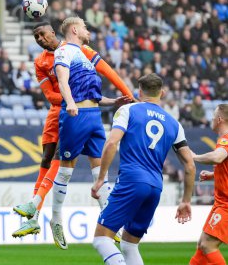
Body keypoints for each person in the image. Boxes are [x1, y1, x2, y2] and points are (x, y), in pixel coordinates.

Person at [12, 21, 134, 241]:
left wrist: (128, 96)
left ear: (53, 32)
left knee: (74, 164)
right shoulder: (41, 61)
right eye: (36, 37)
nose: (40, 39)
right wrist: (74, 100)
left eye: (42, 34)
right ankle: (35, 214)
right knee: (49, 159)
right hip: (65, 111)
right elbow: (51, 95)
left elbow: (109, 72)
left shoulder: (79, 50)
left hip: (82, 112)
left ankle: (41, 209)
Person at [91, 73, 196, 265]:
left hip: (132, 180)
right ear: (162, 93)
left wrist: (100, 178)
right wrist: (186, 200)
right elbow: (189, 164)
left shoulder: (128, 110)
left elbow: (111, 143)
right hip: (156, 186)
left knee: (101, 239)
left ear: (139, 92)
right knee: (129, 246)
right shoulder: (174, 123)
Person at [189, 104, 228, 265]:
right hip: (221, 203)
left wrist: (195, 157)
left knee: (208, 245)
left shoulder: (226, 139)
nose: (211, 119)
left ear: (219, 120)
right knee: (202, 245)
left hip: (226, 204)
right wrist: (214, 175)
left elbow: (218, 157)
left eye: (213, 116)